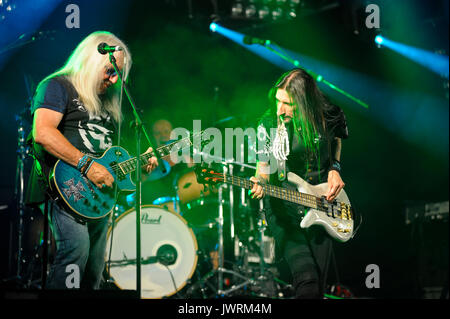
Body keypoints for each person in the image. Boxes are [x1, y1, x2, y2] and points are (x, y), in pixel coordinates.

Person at [25, 31, 158, 290]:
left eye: (118, 73)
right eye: (109, 70)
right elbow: (42, 133)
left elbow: (111, 161)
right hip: (62, 186)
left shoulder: (109, 102)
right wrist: (87, 165)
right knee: (76, 253)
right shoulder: (58, 86)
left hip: (98, 196)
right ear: (92, 60)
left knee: (94, 268)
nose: (114, 78)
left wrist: (139, 167)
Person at [249, 68, 349, 299]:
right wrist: (258, 181)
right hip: (283, 208)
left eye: (287, 104)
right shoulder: (267, 125)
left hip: (321, 203)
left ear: (304, 102)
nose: (279, 109)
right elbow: (262, 170)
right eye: (277, 101)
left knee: (318, 288)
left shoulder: (330, 114)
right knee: (307, 280)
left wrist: (335, 168)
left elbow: (336, 139)